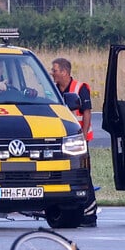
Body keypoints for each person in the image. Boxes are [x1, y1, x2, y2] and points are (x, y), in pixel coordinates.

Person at [50, 57, 98, 227]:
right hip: (61, 140)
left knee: (84, 175)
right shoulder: (53, 90)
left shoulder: (80, 88)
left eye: (54, 70)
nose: (52, 73)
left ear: (64, 72)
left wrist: (83, 136)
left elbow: (86, 113)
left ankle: (90, 214)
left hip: (78, 140)